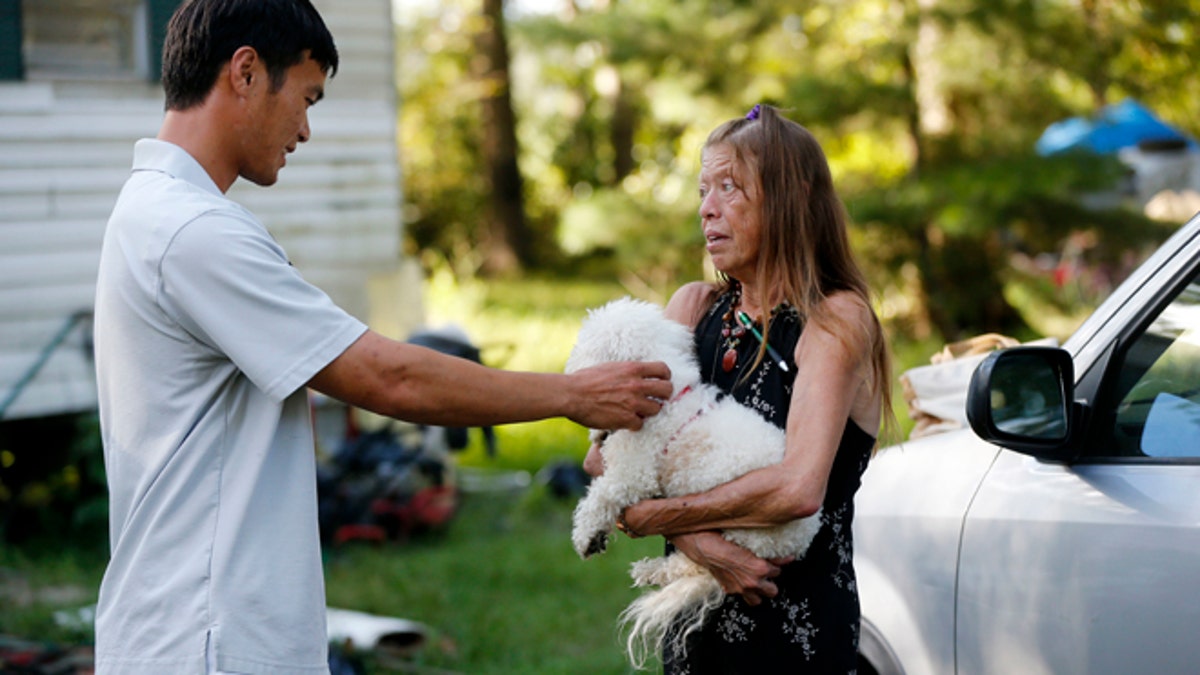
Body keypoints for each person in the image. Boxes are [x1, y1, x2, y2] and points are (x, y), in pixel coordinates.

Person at [90, 1, 672, 673]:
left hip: (187, 625)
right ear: (245, 72)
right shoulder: (193, 231)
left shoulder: (151, 211)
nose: (305, 130)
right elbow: (383, 376)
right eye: (305, 98)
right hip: (206, 638)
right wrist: (572, 395)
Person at [584, 104, 893, 673]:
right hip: (695, 633)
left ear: (792, 197)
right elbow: (603, 456)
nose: (707, 209)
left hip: (795, 633)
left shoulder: (836, 320)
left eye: (730, 187)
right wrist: (702, 545)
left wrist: (654, 516)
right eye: (703, 189)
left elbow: (797, 490)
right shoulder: (691, 308)